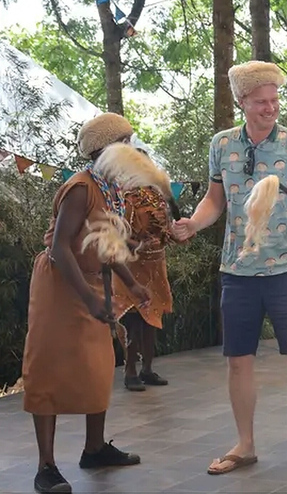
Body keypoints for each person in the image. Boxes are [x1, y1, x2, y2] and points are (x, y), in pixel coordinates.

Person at [171, 60, 287, 478]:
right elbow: (215, 200)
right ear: (242, 102)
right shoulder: (222, 144)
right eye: (261, 102)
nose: (270, 108)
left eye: (274, 100)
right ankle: (245, 444)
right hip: (238, 268)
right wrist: (193, 222)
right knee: (237, 360)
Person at [22, 113, 149, 493]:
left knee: (98, 366)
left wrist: (132, 282)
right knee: (48, 370)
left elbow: (105, 246)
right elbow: (61, 248)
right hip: (60, 285)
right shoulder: (81, 188)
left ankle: (94, 449)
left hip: (89, 283)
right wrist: (90, 301)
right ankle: (46, 467)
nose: (133, 150)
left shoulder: (110, 188)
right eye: (127, 143)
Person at [114, 138, 178, 392]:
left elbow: (166, 228)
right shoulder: (121, 196)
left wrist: (179, 234)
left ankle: (148, 368)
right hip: (131, 266)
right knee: (133, 317)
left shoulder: (158, 195)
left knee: (153, 316)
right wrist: (134, 242)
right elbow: (114, 231)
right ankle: (130, 370)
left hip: (156, 263)